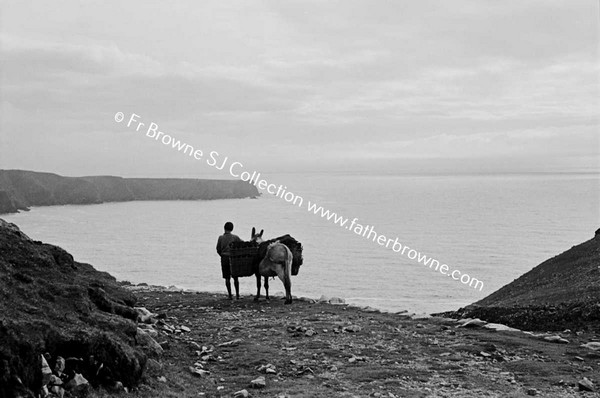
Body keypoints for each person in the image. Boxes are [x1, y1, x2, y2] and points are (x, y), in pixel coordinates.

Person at [216, 221, 242, 299]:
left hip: (224, 258)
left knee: (227, 278)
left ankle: (230, 295)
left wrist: (222, 255)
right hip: (233, 258)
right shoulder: (235, 237)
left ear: (224, 228)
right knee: (235, 277)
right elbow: (242, 244)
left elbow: (218, 249)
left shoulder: (220, 238)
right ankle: (237, 295)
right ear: (232, 229)